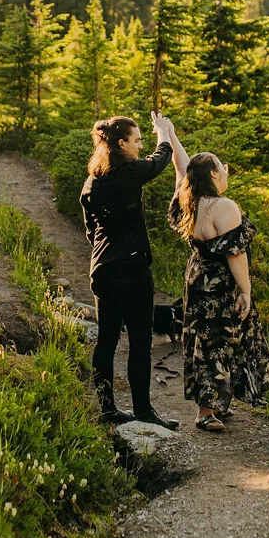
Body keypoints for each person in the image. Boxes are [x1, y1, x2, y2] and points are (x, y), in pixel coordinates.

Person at [161, 122, 269, 432]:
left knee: (203, 339)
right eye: (222, 168)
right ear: (214, 174)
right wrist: (246, 291)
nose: (226, 172)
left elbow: (182, 168)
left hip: (197, 277)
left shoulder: (188, 202)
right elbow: (235, 254)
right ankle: (206, 411)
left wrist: (170, 134)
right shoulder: (224, 207)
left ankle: (215, 404)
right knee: (219, 341)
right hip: (220, 284)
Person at [80, 111, 180, 429]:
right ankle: (143, 412)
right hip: (133, 269)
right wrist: (163, 131)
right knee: (139, 342)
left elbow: (91, 231)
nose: (140, 146)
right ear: (122, 144)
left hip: (102, 269)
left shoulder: (92, 182)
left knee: (106, 341)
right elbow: (161, 158)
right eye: (136, 140)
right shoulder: (130, 172)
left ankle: (107, 408)